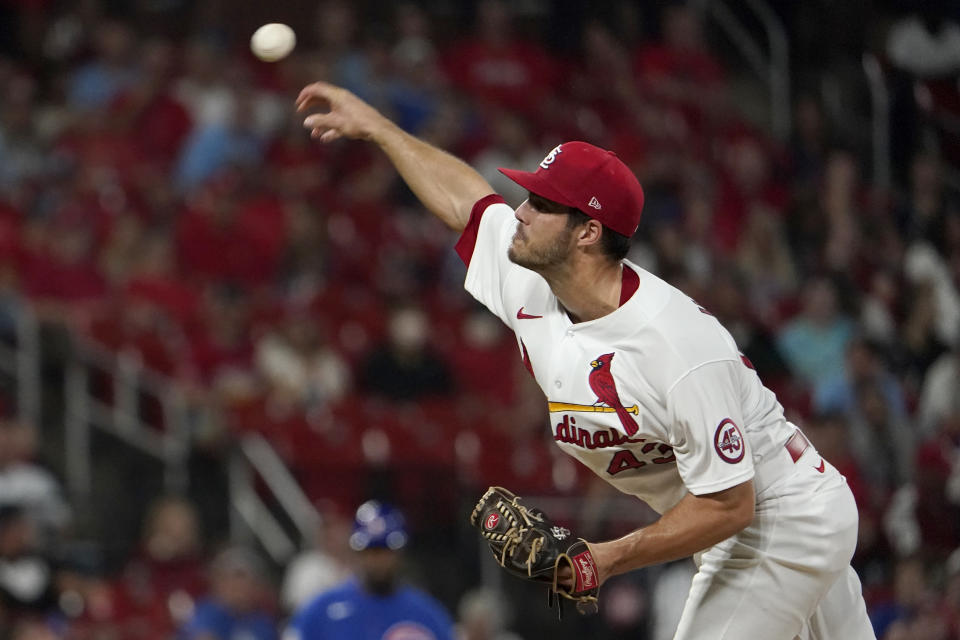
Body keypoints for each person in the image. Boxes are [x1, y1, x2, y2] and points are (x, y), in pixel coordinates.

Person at [296, 80, 877, 639]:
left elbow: (730, 504)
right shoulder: (533, 279)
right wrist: (378, 129)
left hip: (777, 518)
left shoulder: (678, 347)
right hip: (743, 521)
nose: (520, 211)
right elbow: (466, 203)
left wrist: (604, 558)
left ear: (587, 232)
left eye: (542, 203)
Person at [286, 500, 454, 640]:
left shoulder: (427, 614)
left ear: (399, 553)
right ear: (357, 552)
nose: (378, 560)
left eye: (385, 551)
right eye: (371, 551)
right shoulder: (320, 610)